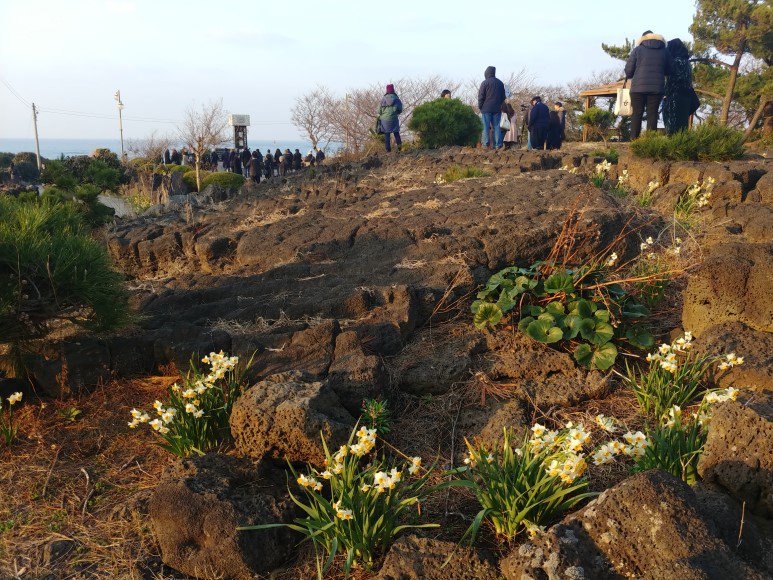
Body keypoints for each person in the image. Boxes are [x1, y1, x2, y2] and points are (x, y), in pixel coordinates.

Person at [625, 30, 673, 139]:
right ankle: (650, 142)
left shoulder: (637, 50)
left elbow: (628, 71)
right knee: (652, 114)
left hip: (638, 88)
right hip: (656, 88)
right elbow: (670, 70)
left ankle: (634, 140)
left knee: (637, 114)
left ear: (643, 38)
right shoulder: (665, 51)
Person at [663, 39, 695, 135]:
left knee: (672, 124)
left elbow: (672, 80)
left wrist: (665, 94)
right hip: (687, 96)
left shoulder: (675, 62)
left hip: (675, 96)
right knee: (682, 124)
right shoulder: (687, 63)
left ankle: (674, 145)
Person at [477, 66, 506, 149]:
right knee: (497, 127)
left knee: (485, 126)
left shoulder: (485, 83)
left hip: (486, 108)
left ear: (486, 73)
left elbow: (481, 96)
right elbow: (503, 97)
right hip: (497, 109)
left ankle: (485, 145)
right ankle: (498, 145)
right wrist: (499, 104)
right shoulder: (500, 83)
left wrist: (480, 106)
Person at [378, 84, 403, 153]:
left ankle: (388, 151)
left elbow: (378, 111)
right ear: (393, 89)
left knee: (387, 134)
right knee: (396, 133)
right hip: (394, 118)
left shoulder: (383, 99)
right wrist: (395, 112)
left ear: (387, 90)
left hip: (385, 120)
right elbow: (400, 109)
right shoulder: (396, 99)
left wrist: (384, 114)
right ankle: (400, 149)